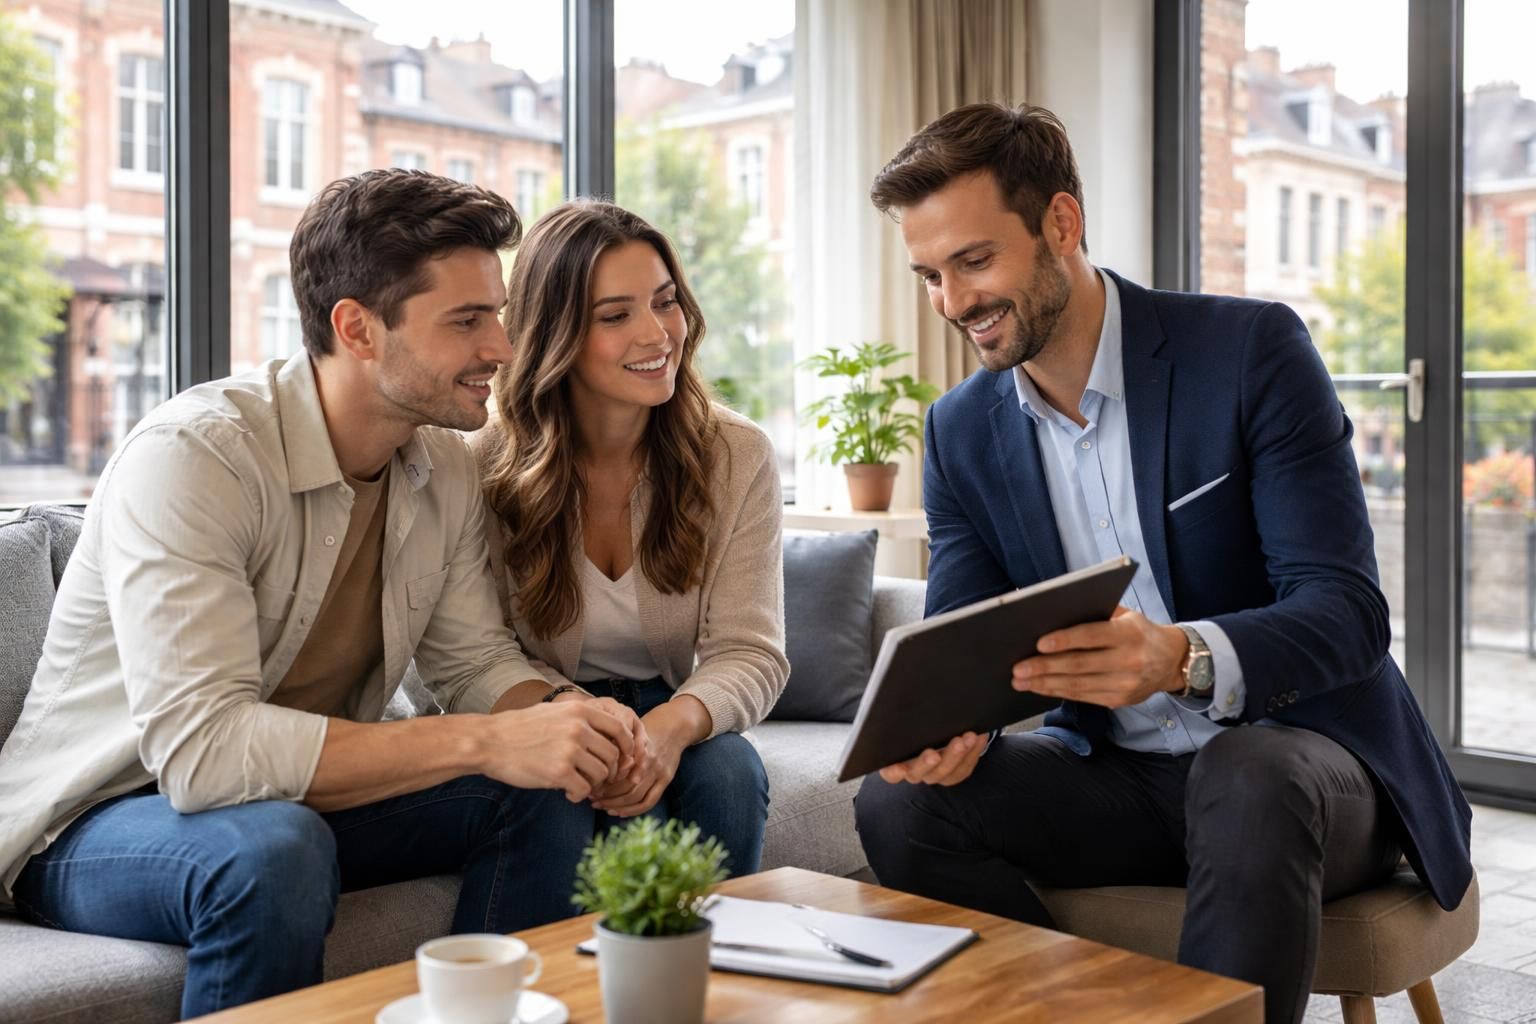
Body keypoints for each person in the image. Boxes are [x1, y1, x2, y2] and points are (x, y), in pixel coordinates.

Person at [851, 103, 1472, 1024]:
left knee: (1246, 775)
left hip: (1313, 772)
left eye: (974, 261)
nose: (952, 302)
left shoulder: (1250, 351)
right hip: (1125, 782)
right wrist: (947, 729)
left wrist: (1181, 656)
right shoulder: (960, 433)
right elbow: (964, 649)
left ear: (1062, 223)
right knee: (897, 809)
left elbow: (1348, 612)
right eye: (929, 274)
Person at [0, 169, 648, 1019]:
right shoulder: (199, 458)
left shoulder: (443, 462)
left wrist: (566, 720)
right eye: (467, 320)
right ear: (357, 328)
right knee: (272, 848)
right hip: (103, 814)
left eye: (496, 313)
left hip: (290, 798)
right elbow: (204, 757)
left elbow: (474, 659)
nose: (501, 345)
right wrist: (486, 740)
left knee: (545, 783)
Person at [476, 199, 787, 876]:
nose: (658, 334)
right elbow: (473, 654)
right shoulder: (480, 464)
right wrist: (586, 723)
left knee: (729, 773)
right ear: (554, 335)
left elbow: (751, 651)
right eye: (616, 316)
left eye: (666, 302)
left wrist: (668, 731)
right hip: (542, 707)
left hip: (670, 701)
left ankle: (718, 971)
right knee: (589, 796)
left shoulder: (736, 454)